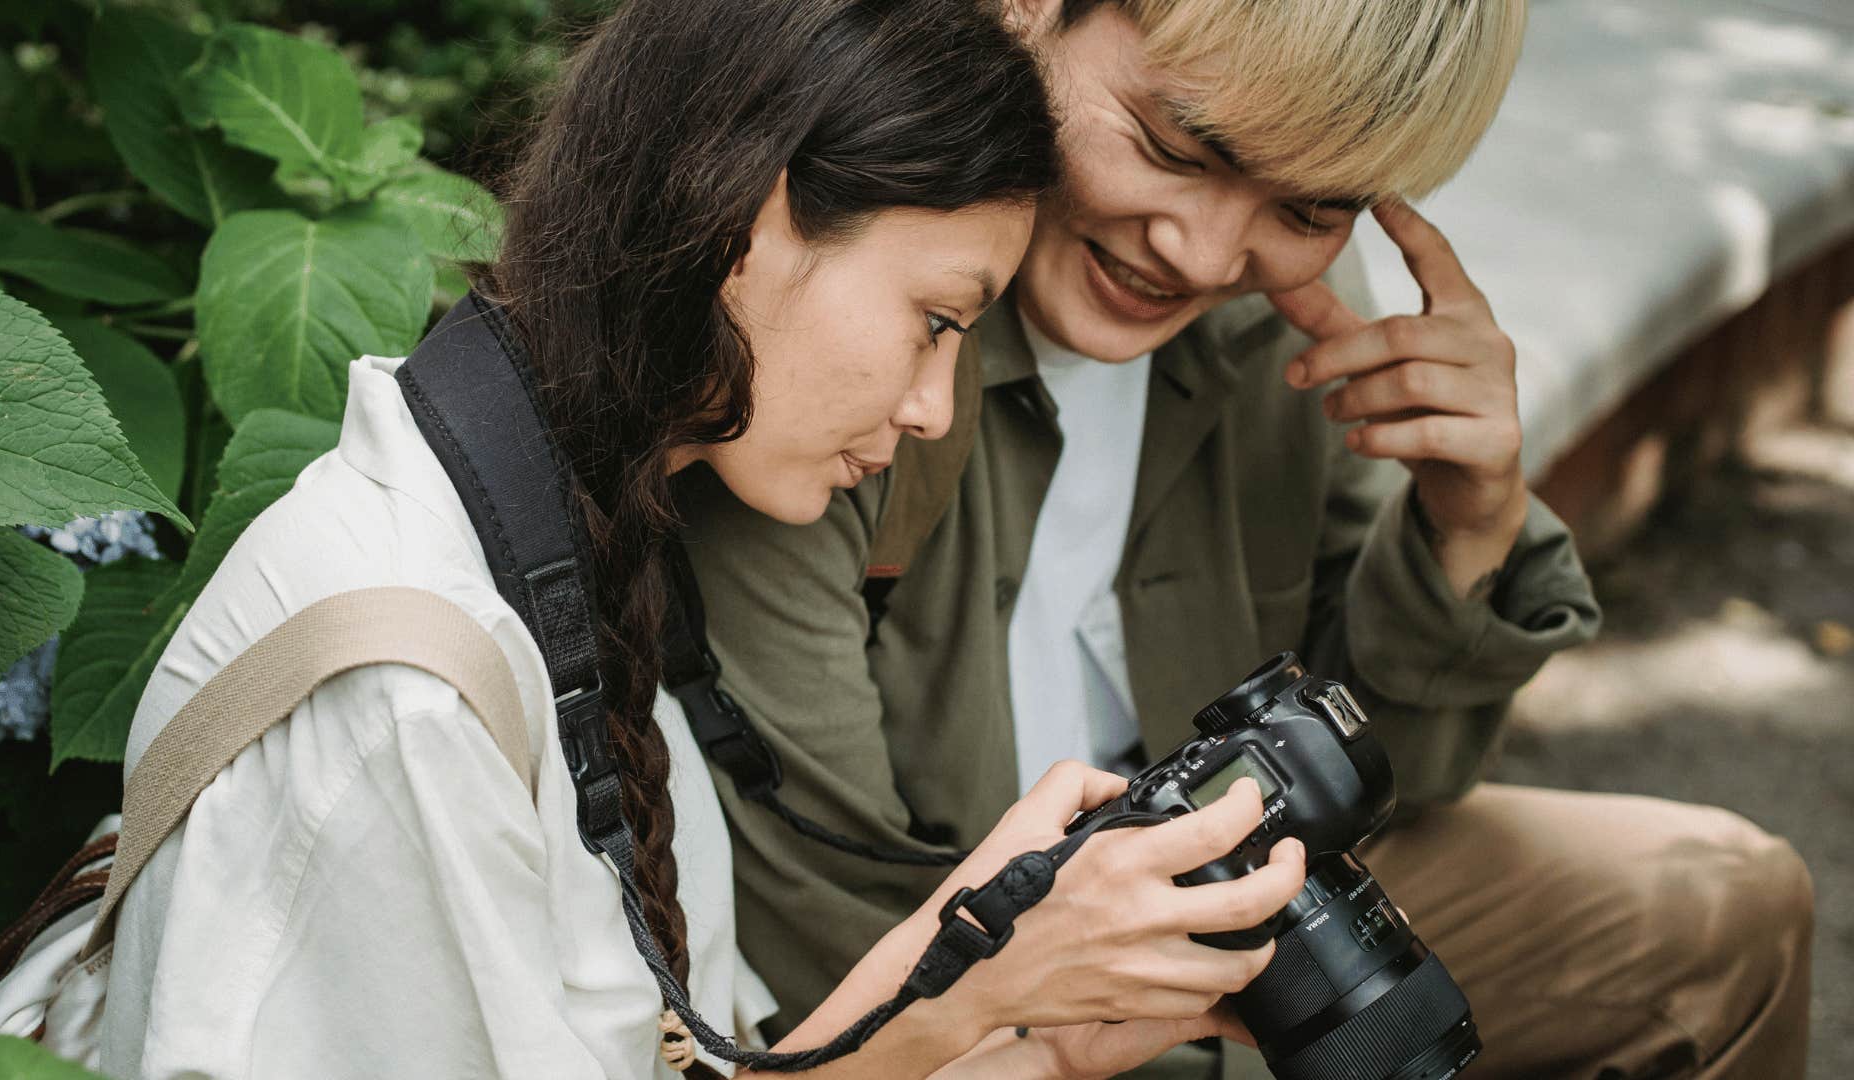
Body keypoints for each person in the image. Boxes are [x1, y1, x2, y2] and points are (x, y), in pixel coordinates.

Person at [96, 1, 1316, 1077]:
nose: (936, 406)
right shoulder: (410, 698)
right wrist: (976, 980)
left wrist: (1026, 1028)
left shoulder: (555, 556)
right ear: (752, 218)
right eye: (937, 321)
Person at [676, 0, 1817, 1077]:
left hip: (1244, 909)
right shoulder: (844, 374)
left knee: (1728, 909)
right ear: (1029, 8)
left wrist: (1468, 525)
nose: (1209, 256)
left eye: (1312, 208)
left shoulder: (1289, 309)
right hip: (984, 992)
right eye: (1176, 148)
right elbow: (847, 955)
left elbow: (1403, 778)